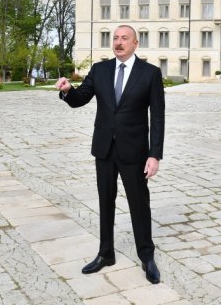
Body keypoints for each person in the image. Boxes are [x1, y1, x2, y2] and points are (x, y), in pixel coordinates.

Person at [55, 24, 165, 284]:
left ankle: (146, 256)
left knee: (139, 204)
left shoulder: (150, 73)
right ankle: (106, 253)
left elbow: (157, 117)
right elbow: (81, 98)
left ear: (135, 43)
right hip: (104, 148)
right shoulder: (100, 69)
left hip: (134, 151)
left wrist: (154, 155)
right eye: (115, 38)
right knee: (105, 201)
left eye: (124, 38)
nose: (118, 42)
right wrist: (68, 90)